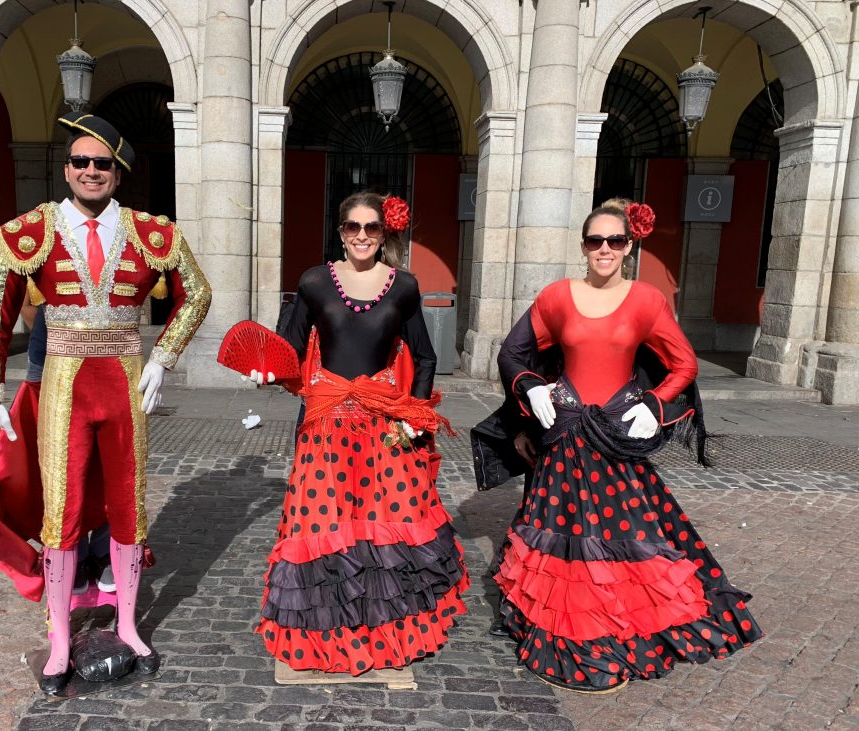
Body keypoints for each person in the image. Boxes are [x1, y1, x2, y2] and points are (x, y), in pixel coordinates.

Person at [0, 111, 211, 693]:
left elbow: (197, 292)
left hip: (126, 383)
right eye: (80, 161)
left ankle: (128, 625)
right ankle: (59, 638)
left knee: (130, 505)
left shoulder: (152, 232)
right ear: (67, 168)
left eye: (102, 163)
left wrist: (163, 357)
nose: (90, 171)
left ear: (118, 172)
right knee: (65, 510)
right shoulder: (30, 231)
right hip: (64, 386)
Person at [492, 199, 762, 693]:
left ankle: (614, 627)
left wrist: (654, 405)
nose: (605, 250)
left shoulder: (646, 301)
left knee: (624, 533)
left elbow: (684, 365)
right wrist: (531, 386)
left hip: (615, 438)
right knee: (564, 535)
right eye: (595, 240)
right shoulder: (556, 296)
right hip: (565, 437)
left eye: (615, 241)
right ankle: (570, 634)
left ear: (629, 246)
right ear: (583, 246)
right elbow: (512, 352)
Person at [250, 191, 468, 675]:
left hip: (384, 422)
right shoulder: (313, 282)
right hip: (325, 425)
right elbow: (287, 349)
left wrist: (415, 413)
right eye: (353, 227)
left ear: (384, 233)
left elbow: (426, 357)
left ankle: (386, 625)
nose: (363, 236)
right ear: (340, 231)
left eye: (372, 228)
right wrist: (267, 369)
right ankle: (326, 629)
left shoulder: (404, 286)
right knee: (324, 527)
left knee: (385, 523)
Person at [21, 292, 113, 595]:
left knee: (109, 461)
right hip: (50, 356)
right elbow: (27, 305)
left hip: (110, 356)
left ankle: (102, 551)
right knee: (60, 463)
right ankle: (73, 551)